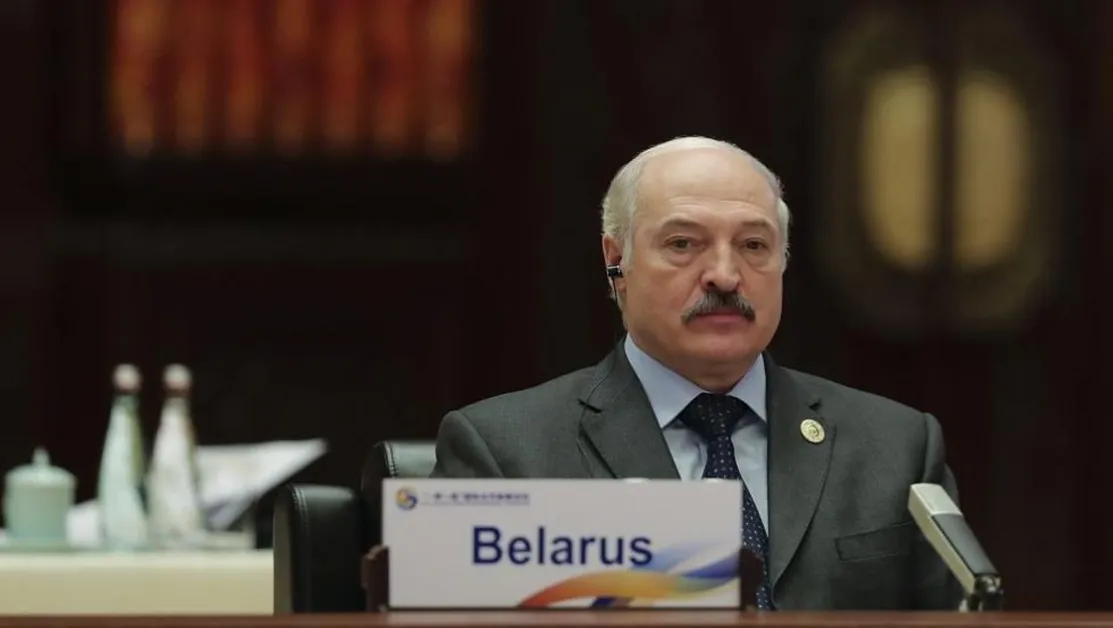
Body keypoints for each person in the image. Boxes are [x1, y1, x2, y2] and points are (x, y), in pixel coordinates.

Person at [430, 136, 961, 611]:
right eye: (683, 244)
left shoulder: (897, 446)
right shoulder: (506, 452)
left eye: (753, 246)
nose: (725, 276)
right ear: (616, 264)